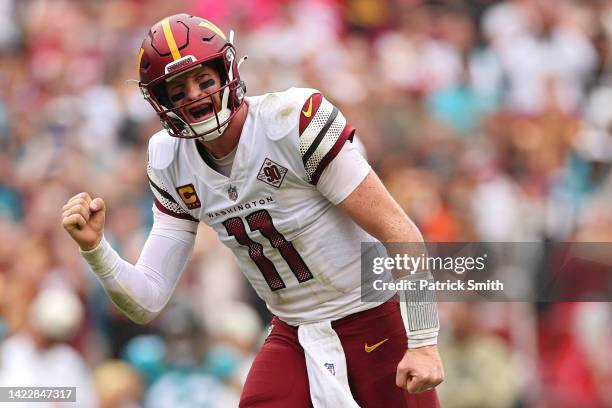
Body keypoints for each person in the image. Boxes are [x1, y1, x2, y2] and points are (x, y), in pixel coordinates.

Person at [61, 13, 443, 407]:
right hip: (292, 331)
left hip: (372, 315)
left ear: (227, 72)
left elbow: (399, 231)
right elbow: (147, 300)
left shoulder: (291, 122)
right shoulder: (169, 159)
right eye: (178, 90)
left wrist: (424, 342)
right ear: (162, 102)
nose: (195, 95)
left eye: (203, 80)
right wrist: (96, 249)